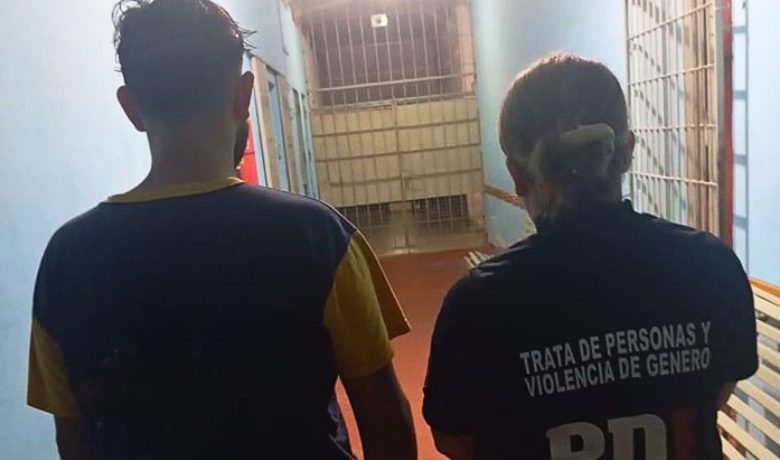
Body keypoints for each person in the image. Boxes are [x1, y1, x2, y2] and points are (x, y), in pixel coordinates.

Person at [27, 1, 417, 459]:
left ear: (130, 108)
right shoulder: (318, 237)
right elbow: (384, 416)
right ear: (243, 95)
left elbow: (73, 439)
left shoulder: (66, 259)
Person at [423, 53, 757, 460]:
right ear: (627, 152)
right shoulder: (710, 267)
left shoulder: (477, 303)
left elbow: (454, 440)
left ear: (516, 174)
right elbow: (714, 393)